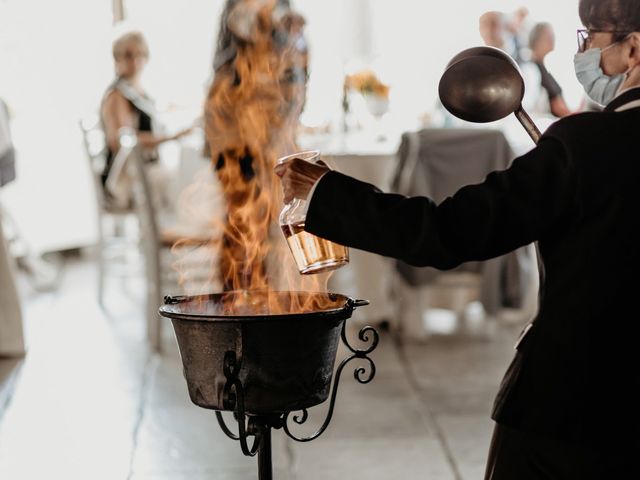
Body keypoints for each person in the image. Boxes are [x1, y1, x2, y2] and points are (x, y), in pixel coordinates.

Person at [277, 0, 640, 477]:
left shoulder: (585, 145)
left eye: (590, 39)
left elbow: (448, 233)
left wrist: (324, 194)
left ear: (632, 47)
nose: (585, 52)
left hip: (570, 407)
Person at [100, 31, 191, 205]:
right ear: (117, 59)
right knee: (181, 181)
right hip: (128, 179)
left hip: (146, 171)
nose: (134, 61)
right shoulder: (116, 96)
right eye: (127, 55)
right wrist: (171, 138)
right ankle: (170, 231)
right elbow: (122, 141)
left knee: (185, 172)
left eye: (139, 54)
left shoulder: (140, 94)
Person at [526, 22, 572, 117]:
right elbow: (559, 108)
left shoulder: (543, 69)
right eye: (549, 36)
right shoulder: (533, 70)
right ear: (537, 41)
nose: (552, 39)